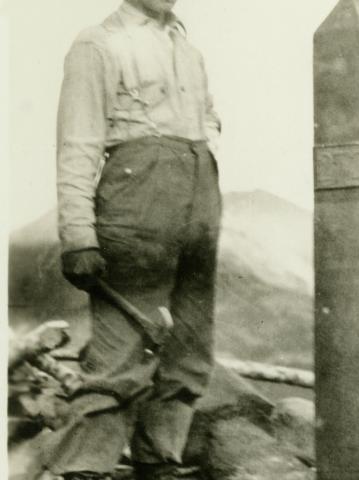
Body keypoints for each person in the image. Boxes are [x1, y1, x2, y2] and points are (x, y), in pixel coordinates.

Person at [49, 0, 222, 478]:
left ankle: (159, 460)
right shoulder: (98, 42)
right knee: (121, 351)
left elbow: (208, 119)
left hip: (199, 199)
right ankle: (84, 469)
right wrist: (78, 235)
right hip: (135, 202)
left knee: (189, 348)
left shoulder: (188, 48)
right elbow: (78, 142)